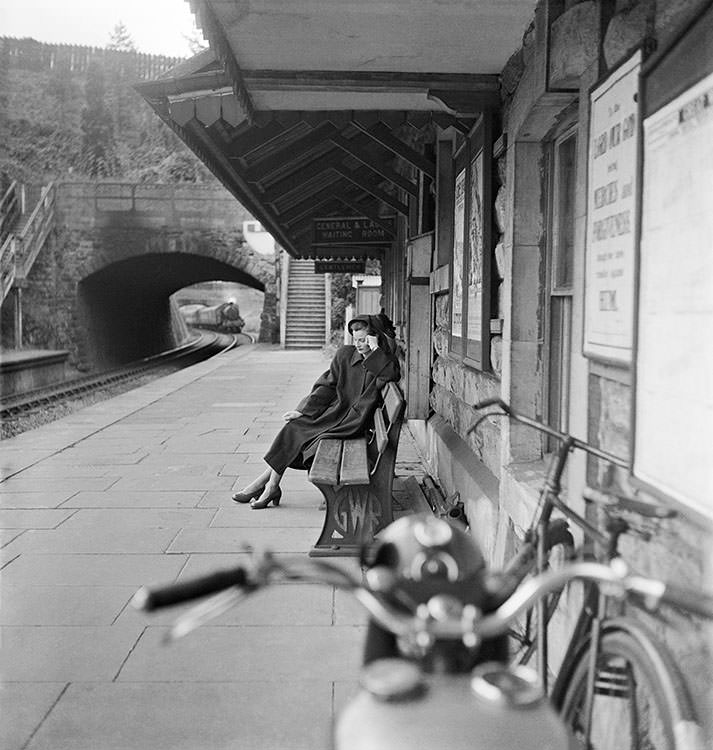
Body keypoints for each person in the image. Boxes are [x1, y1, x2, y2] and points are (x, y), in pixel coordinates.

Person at [231, 312, 401, 509]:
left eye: (363, 340)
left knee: (305, 440)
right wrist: (303, 411)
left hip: (353, 423)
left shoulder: (381, 362)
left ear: (375, 338)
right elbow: (326, 386)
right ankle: (270, 486)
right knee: (295, 427)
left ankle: (266, 486)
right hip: (334, 414)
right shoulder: (345, 355)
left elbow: (392, 374)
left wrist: (374, 351)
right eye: (355, 339)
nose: (358, 344)